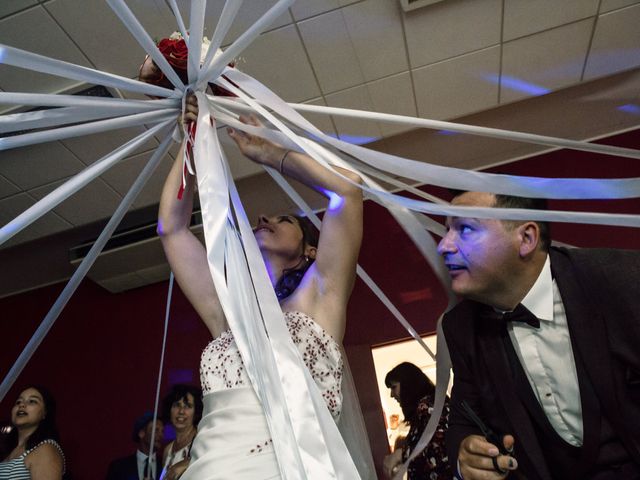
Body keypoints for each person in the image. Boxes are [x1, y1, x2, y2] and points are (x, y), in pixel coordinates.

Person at [156, 90, 363, 478]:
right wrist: (194, 140)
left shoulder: (321, 297)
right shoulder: (228, 312)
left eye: (285, 219)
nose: (265, 216)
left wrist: (270, 153)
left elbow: (347, 191)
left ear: (311, 251)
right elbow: (172, 228)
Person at [438, 191, 640, 480]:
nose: (444, 246)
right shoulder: (461, 328)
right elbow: (464, 419)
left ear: (527, 238)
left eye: (465, 229)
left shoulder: (621, 280)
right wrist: (465, 457)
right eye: (446, 231)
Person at [382, 362, 451, 479]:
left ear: (408, 384)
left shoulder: (428, 405)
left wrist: (401, 454)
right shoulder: (427, 406)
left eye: (394, 387)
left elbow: (440, 448)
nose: (392, 395)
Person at [0, 385, 65, 479]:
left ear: (45, 413)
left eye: (32, 401)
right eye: (18, 402)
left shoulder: (45, 450)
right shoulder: (7, 449)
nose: (21, 405)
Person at [159, 385, 202, 480]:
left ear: (196, 412)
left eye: (188, 406)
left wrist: (188, 463)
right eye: (177, 405)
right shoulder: (168, 450)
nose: (181, 411)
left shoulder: (202, 440)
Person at [105, 413, 163, 480]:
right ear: (141, 433)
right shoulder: (119, 467)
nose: (161, 435)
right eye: (156, 430)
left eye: (162, 431)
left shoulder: (166, 466)